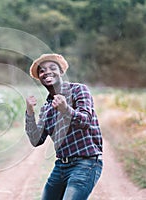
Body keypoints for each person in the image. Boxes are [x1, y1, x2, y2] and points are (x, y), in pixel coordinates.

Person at [25, 53, 103, 200]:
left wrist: (65, 109)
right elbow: (36, 140)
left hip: (86, 163)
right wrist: (29, 112)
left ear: (61, 72)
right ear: (40, 78)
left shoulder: (79, 90)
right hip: (61, 166)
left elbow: (85, 121)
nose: (46, 72)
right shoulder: (47, 108)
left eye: (52, 68)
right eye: (42, 70)